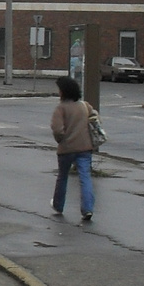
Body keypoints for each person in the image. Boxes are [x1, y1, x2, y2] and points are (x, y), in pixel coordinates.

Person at [51, 76, 98, 222]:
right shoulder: (85, 106)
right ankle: (87, 209)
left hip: (66, 149)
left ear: (63, 92)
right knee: (85, 178)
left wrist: (61, 140)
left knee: (62, 177)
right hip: (85, 148)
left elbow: (57, 130)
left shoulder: (61, 109)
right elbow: (95, 118)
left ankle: (58, 205)